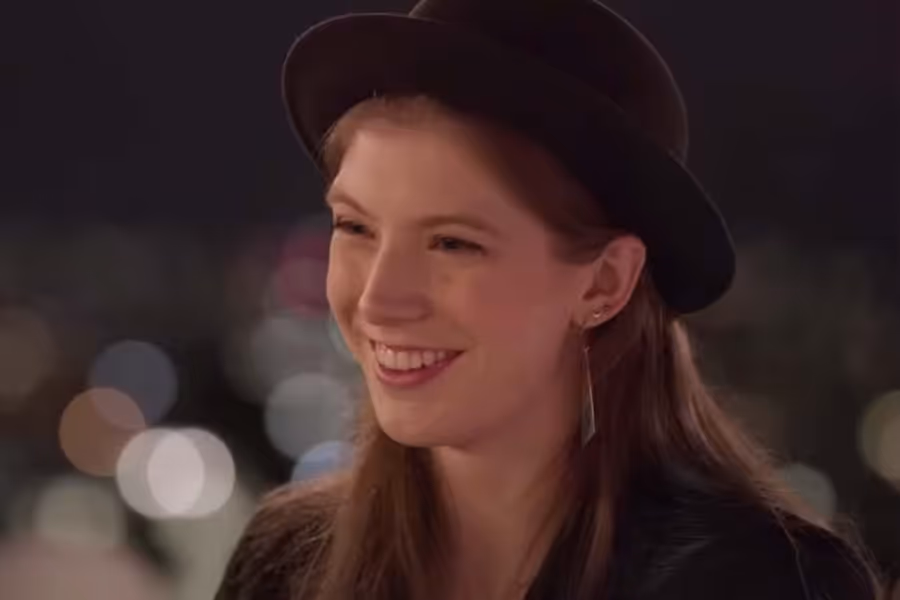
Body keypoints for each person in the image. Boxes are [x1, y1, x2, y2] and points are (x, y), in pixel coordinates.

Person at [216, 0, 882, 598]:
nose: (379, 301)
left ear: (604, 283)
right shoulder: (288, 564)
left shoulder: (761, 585)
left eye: (453, 243)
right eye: (355, 227)